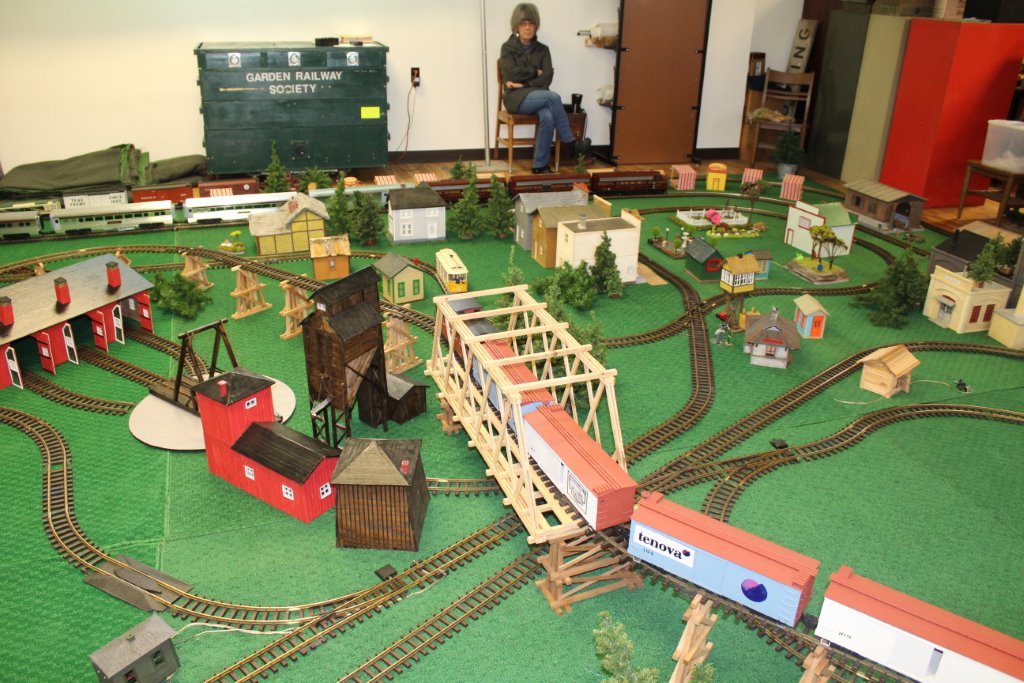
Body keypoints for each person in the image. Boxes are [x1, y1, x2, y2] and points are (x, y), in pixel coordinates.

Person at [500, 3, 591, 174]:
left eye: (531, 23)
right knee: (553, 97)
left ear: (536, 26)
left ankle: (539, 165)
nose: (528, 27)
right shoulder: (507, 48)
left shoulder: (543, 50)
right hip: (515, 98)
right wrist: (535, 72)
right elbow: (510, 72)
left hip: (536, 95)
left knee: (548, 116)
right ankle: (571, 143)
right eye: (523, 23)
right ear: (516, 26)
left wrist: (525, 84)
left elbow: (547, 77)